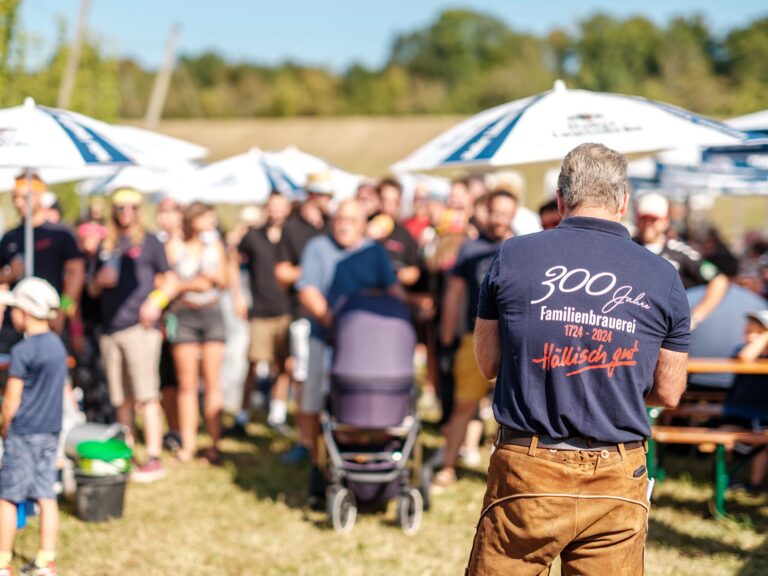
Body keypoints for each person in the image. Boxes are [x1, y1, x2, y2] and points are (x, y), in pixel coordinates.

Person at [467, 143, 690, 575]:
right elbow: (669, 391)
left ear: (562, 199)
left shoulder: (513, 255)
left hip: (528, 465)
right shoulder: (663, 275)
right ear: (624, 202)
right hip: (618, 468)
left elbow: (488, 363)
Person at [296, 199, 402, 505]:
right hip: (325, 338)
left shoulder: (374, 252)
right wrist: (335, 321)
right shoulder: (318, 248)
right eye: (340, 218)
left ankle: (365, 469)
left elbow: (391, 290)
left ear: (362, 223)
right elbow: (308, 290)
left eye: (352, 220)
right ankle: (319, 469)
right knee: (317, 404)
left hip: (369, 347)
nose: (344, 224)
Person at [87, 188, 177, 482]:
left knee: (146, 393)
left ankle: (153, 455)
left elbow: (170, 280)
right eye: (120, 207)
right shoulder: (106, 243)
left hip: (140, 328)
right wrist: (98, 282)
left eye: (131, 207)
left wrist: (156, 302)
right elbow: (90, 288)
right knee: (120, 397)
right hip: (110, 328)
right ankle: (127, 451)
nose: (125, 212)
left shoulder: (150, 241)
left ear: (139, 210)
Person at [435, 189, 517, 489]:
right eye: (496, 213)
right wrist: (447, 339)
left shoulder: (521, 247)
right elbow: (454, 296)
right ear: (486, 211)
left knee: (510, 413)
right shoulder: (470, 250)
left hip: (513, 340)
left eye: (507, 214)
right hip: (474, 337)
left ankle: (507, 475)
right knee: (463, 405)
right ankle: (447, 466)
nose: (500, 219)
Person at [0, 278, 68, 576]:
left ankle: (2, 562)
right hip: (50, 431)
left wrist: (4, 425)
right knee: (46, 495)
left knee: (7, 497)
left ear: (25, 312)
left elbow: (11, 399)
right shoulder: (57, 345)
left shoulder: (22, 351)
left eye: (13, 309)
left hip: (23, 432)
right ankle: (45, 560)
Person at [275, 172, 333, 463]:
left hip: (333, 317)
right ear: (312, 195)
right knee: (303, 379)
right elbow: (282, 272)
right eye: (324, 195)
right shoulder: (292, 228)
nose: (328, 201)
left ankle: (326, 440)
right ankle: (304, 440)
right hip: (303, 315)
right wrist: (312, 274)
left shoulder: (334, 226)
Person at [167, 203, 228, 464]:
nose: (211, 225)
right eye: (206, 219)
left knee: (213, 381)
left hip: (211, 311)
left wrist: (210, 278)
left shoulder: (215, 245)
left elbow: (224, 279)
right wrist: (193, 283)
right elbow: (170, 283)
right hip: (185, 313)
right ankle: (189, 444)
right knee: (187, 384)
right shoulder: (175, 245)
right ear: (193, 221)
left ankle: (214, 444)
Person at [231, 192, 293, 436]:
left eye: (281, 206)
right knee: (253, 363)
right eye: (273, 206)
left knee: (283, 365)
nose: (277, 211)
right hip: (260, 309)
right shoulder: (253, 235)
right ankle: (242, 415)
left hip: (286, 309)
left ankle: (277, 414)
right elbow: (232, 259)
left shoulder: (292, 235)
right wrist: (238, 296)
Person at [0, 174, 84, 349]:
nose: (19, 203)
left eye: (25, 197)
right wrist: (10, 275)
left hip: (49, 320)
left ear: (39, 196)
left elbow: (76, 274)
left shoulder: (60, 235)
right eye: (15, 197)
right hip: (15, 324)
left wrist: (62, 310)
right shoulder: (10, 237)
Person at [634, 192, 729, 329]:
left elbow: (719, 280)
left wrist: (696, 316)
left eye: (653, 220)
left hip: (664, 329)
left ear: (665, 221)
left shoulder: (681, 252)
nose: (648, 225)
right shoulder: (627, 246)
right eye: (644, 219)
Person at [722, 310, 768, 491]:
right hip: (737, 412)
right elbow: (745, 358)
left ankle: (755, 484)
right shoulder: (740, 351)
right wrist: (761, 339)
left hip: (763, 414)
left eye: (757, 333)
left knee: (763, 447)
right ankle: (725, 476)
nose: (750, 337)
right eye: (747, 332)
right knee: (726, 442)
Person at [155, 197, 184, 452]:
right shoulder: (155, 242)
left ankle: (186, 430)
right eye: (161, 212)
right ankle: (174, 428)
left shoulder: (188, 242)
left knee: (184, 378)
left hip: (186, 316)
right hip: (164, 316)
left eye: (170, 212)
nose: (165, 217)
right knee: (167, 379)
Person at [368, 178, 420, 287]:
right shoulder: (365, 226)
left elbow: (414, 270)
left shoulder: (404, 234)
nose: (388, 207)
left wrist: (402, 274)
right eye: (384, 200)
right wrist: (367, 236)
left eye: (393, 202)